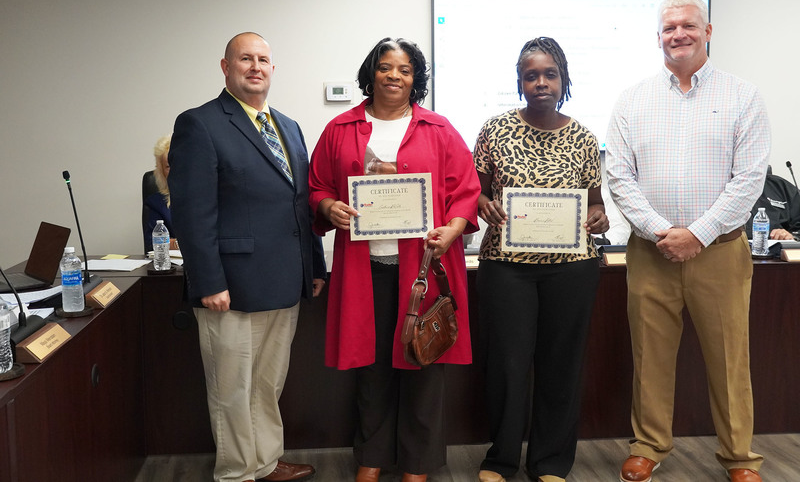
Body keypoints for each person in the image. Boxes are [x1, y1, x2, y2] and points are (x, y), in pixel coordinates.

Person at [606, 0, 770, 482]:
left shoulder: (743, 96)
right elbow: (618, 176)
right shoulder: (632, 99)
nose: (678, 34)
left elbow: (749, 179)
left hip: (719, 251)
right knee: (649, 356)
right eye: (668, 27)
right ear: (658, 36)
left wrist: (697, 234)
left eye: (688, 26)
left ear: (708, 31)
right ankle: (649, 445)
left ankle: (740, 457)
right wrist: (662, 232)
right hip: (650, 252)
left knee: (729, 358)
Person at [308, 37, 480, 482]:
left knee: (423, 364)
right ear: (372, 71)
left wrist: (454, 228)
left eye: (404, 70)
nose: (394, 76)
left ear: (415, 78)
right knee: (372, 369)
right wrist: (329, 208)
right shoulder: (341, 129)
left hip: (423, 270)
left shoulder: (438, 129)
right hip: (364, 271)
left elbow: (466, 191)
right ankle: (372, 456)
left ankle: (418, 464)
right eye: (386, 67)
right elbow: (317, 187)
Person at [168, 32, 326, 482]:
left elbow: (301, 201)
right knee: (231, 390)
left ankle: (267, 461)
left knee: (267, 384)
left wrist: (312, 265)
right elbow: (194, 214)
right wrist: (208, 281)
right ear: (225, 67)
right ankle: (237, 473)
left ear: (272, 69)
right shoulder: (199, 124)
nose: (255, 67)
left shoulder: (288, 126)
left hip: (285, 281)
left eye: (263, 60)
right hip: (230, 286)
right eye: (245, 59)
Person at [472, 37, 609, 482]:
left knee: (560, 364)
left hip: (571, 268)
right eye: (531, 75)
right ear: (520, 83)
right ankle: (501, 459)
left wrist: (598, 217)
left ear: (564, 80)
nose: (541, 82)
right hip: (507, 266)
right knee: (508, 365)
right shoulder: (494, 130)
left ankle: (550, 461)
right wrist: (482, 204)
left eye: (550, 74)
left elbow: (595, 204)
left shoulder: (585, 138)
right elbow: (476, 191)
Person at [142, 134, 178, 251]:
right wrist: (180, 244)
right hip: (173, 266)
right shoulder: (156, 203)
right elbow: (152, 243)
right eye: (168, 166)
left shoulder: (212, 197)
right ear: (161, 171)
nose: (176, 170)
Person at [745, 167, 800, 241]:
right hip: (733, 247)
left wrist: (792, 236)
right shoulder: (725, 188)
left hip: (778, 249)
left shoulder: (780, 187)